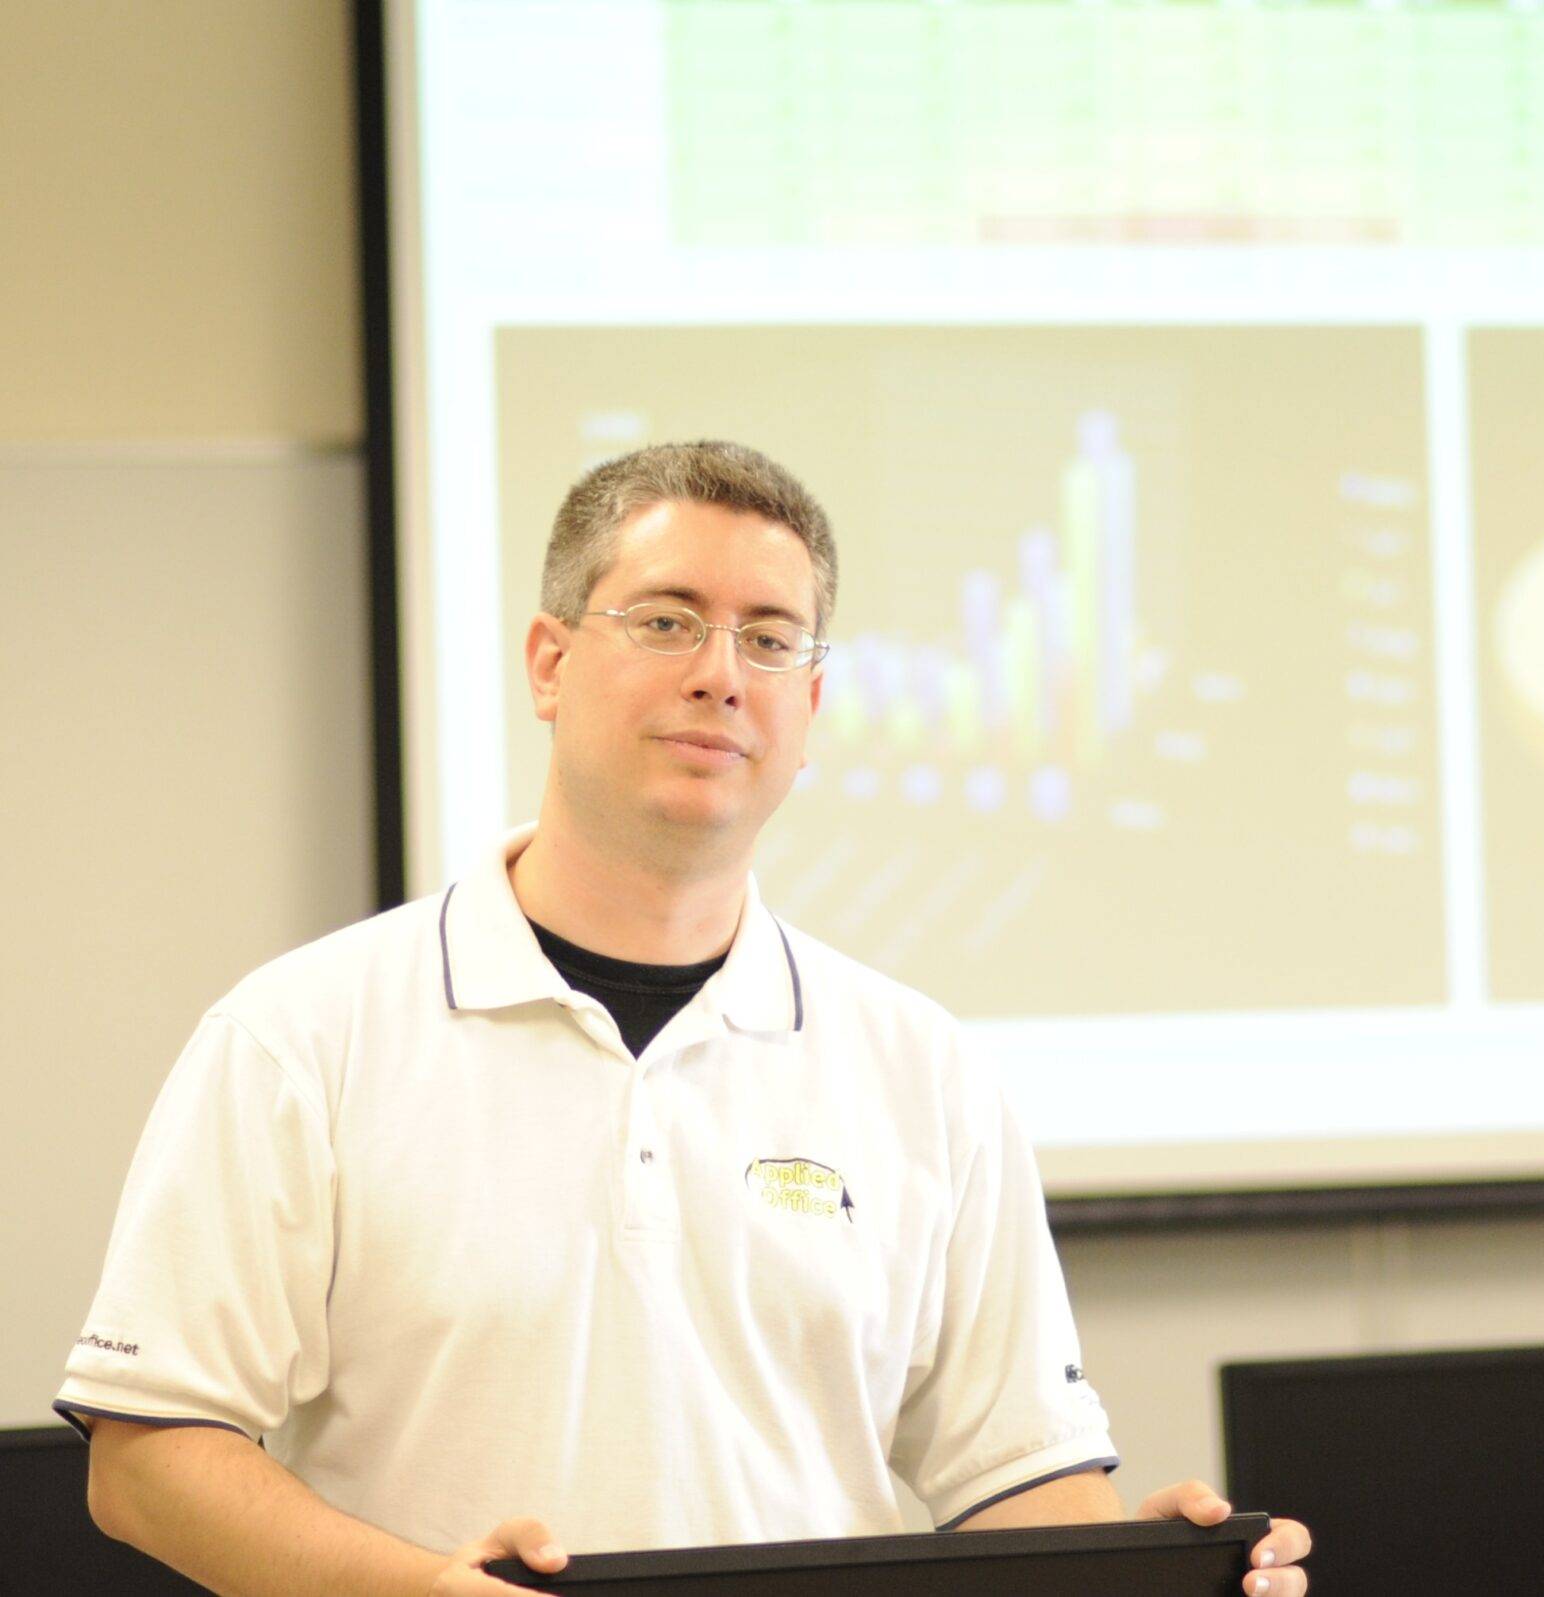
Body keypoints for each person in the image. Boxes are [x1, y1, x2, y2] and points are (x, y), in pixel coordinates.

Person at [60, 440, 1312, 1596]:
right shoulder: (303, 1035)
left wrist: (1151, 1569)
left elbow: (1013, 1474)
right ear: (550, 664)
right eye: (667, 622)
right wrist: (426, 1592)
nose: (721, 674)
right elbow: (148, 1459)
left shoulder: (919, 1067)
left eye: (772, 641)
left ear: (811, 713)